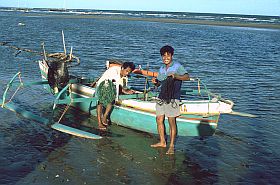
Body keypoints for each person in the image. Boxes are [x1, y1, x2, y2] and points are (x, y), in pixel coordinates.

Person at [151, 45, 190, 155]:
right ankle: (162, 142)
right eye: (164, 56)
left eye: (168, 55)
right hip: (161, 97)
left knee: (171, 121)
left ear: (172, 55)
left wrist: (176, 76)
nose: (166, 58)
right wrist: (155, 82)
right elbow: (159, 83)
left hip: (173, 98)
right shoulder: (162, 68)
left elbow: (187, 77)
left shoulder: (177, 66)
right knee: (159, 119)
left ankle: (171, 146)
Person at [95, 62, 136, 130]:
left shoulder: (123, 73)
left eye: (129, 72)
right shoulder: (114, 71)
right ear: (122, 68)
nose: (127, 73)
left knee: (111, 100)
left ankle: (105, 117)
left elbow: (118, 85)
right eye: (126, 71)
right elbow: (115, 85)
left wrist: (124, 90)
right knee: (100, 102)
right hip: (102, 84)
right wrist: (121, 93)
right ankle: (99, 123)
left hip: (111, 85)